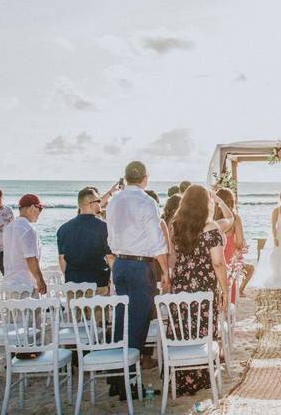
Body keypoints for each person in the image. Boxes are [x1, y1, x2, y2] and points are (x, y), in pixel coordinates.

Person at [106, 161, 169, 398]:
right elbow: (157, 241)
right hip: (140, 265)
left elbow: (110, 236)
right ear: (145, 178)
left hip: (120, 263)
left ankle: (116, 379)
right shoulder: (146, 201)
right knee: (138, 323)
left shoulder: (114, 200)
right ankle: (129, 383)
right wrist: (166, 272)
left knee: (121, 320)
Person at [165, 184, 229, 395]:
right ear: (206, 204)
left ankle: (182, 374)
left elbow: (173, 259)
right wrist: (226, 291)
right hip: (203, 288)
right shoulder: (211, 228)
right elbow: (218, 263)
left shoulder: (175, 225)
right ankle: (202, 375)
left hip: (181, 287)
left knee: (182, 330)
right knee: (202, 330)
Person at [57, 187, 114, 293]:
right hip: (98, 283)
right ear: (90, 204)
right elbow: (110, 257)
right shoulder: (103, 227)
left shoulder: (63, 229)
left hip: (73, 286)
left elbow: (62, 259)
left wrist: (70, 278)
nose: (100, 203)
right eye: (98, 201)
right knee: (99, 310)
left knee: (75, 310)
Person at [2, 194, 47, 294]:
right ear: (32, 208)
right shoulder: (28, 229)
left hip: (9, 283)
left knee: (12, 310)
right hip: (25, 285)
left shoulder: (8, 228)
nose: (40, 213)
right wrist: (40, 280)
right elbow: (31, 259)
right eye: (40, 209)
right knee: (34, 310)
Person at [215, 187, 253, 296]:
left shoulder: (212, 218)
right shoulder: (235, 219)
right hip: (230, 256)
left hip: (216, 255)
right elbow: (240, 242)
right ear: (231, 201)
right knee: (230, 282)